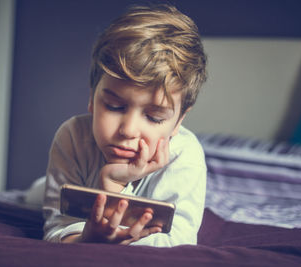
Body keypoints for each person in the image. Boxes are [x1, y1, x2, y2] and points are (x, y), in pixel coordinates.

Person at [43, 4, 207, 247]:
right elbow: (57, 229)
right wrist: (86, 237)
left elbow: (177, 242)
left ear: (178, 122)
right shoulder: (72, 137)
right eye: (114, 106)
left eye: (154, 117)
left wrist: (114, 187)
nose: (128, 130)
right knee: (33, 196)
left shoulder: (185, 155)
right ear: (92, 99)